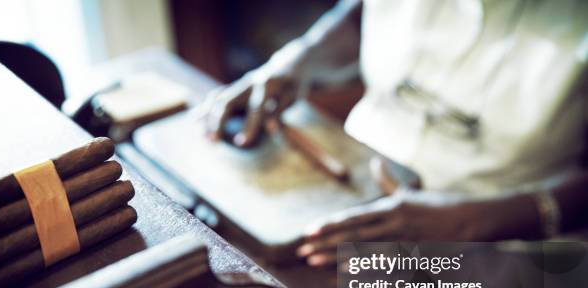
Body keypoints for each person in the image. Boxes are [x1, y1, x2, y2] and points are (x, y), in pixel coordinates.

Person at [204, 0, 588, 266]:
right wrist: (297, 60)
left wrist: (481, 221)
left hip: (517, 235)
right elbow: (363, 13)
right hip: (356, 175)